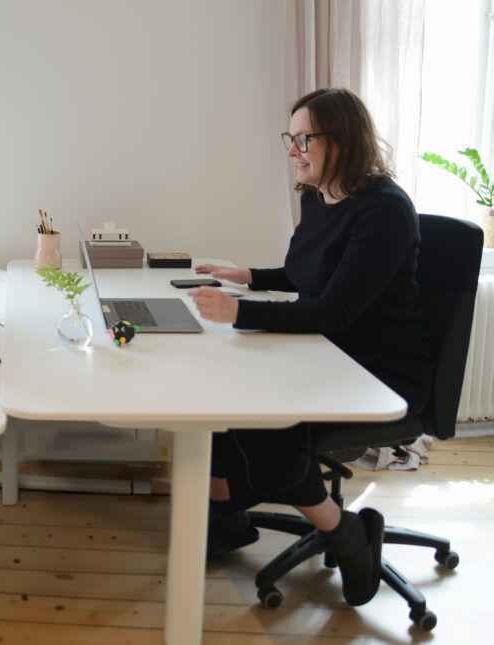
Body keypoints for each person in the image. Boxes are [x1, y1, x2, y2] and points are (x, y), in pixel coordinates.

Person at [186, 88, 432, 607]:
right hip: (327, 351)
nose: (293, 151)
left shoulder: (383, 211)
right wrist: (248, 276)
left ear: (341, 142)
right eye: (290, 138)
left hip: (377, 369)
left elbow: (335, 309)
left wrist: (238, 312)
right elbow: (309, 277)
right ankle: (228, 521)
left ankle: (349, 533)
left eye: (304, 139)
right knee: (223, 400)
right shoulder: (317, 198)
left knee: (269, 426)